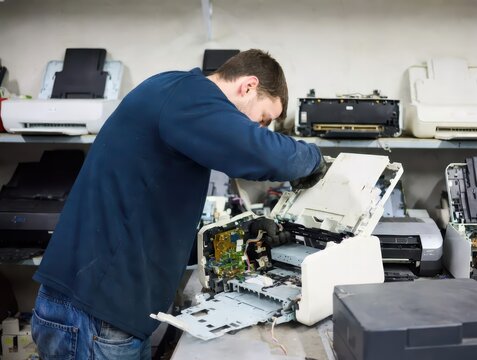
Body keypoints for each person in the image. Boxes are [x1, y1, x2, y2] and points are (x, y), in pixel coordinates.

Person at [31, 49, 325, 359]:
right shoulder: (187, 95)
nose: (260, 128)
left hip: (105, 310)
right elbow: (262, 153)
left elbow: (153, 208)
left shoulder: (176, 94)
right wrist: (316, 160)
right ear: (248, 86)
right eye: (263, 119)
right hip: (94, 316)